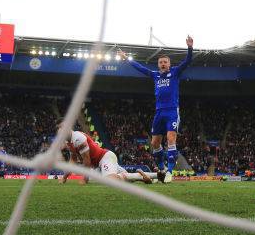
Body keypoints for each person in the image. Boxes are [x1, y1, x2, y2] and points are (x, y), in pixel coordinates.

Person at [118, 37, 194, 183]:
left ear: (169, 64)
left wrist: (190, 48)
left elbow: (187, 62)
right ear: (158, 65)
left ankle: (170, 172)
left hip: (172, 111)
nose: (163, 64)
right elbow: (140, 68)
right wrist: (126, 58)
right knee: (154, 144)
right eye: (161, 62)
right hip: (159, 112)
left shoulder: (175, 72)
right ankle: (161, 168)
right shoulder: (155, 75)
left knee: (171, 139)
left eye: (165, 62)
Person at [59, 124, 154, 185]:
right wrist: (64, 178)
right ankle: (154, 175)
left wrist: (85, 179)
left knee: (110, 180)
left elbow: (87, 160)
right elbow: (72, 160)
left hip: (104, 158)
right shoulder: (69, 141)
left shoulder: (78, 138)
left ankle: (140, 177)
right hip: (98, 165)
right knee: (125, 179)